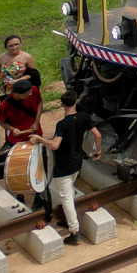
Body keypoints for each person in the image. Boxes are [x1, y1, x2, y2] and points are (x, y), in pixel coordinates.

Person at [49, 91, 85, 244]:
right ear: (76, 101)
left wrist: (39, 140)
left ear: (62, 104)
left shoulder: (62, 124)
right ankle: (68, 219)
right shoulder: (84, 118)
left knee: (66, 197)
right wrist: (97, 151)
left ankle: (74, 231)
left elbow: (55, 145)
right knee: (67, 191)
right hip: (77, 162)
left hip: (63, 165)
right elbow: (97, 134)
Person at [0, 35, 40, 117]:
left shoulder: (27, 57)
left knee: (25, 115)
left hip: (23, 91)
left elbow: (33, 75)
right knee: (9, 116)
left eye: (16, 44)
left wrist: (20, 80)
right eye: (11, 46)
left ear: (20, 44)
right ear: (6, 47)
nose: (14, 47)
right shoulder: (0, 59)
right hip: (6, 92)